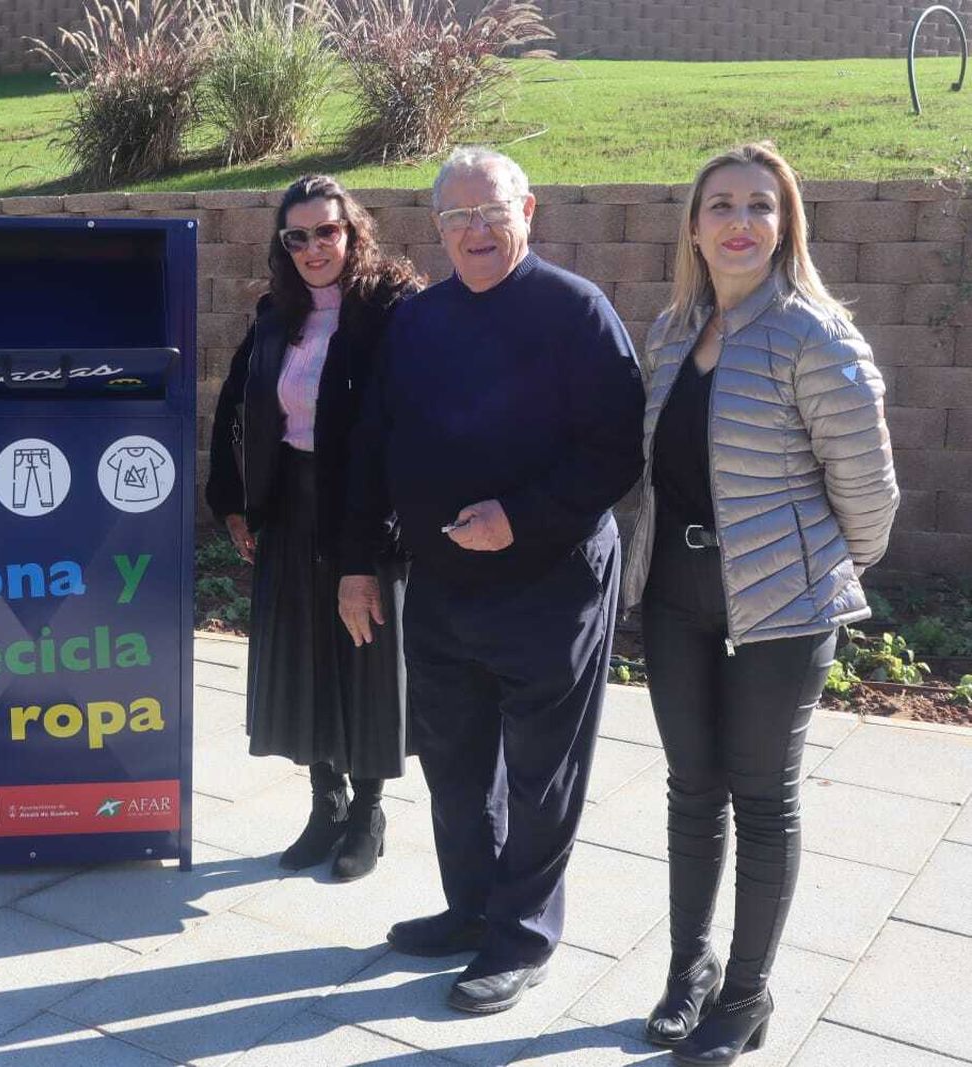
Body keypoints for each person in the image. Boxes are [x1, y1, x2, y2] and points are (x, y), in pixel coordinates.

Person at [339, 147, 645, 1013]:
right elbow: (373, 444)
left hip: (552, 582)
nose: (474, 231)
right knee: (455, 760)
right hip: (441, 585)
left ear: (528, 211)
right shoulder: (418, 321)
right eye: (455, 217)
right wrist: (358, 561)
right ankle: (471, 905)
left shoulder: (576, 312)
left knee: (542, 770)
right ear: (436, 229)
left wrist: (520, 515)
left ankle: (522, 934)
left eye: (490, 212)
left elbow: (617, 448)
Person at [623, 143, 897, 1064]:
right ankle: (687, 970)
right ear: (694, 228)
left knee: (762, 798)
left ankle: (747, 993)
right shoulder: (668, 334)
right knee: (690, 789)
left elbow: (870, 494)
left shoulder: (817, 336)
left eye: (760, 206)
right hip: (675, 596)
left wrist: (816, 575)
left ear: (785, 226)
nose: (740, 222)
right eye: (721, 206)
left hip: (782, 608)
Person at [206, 174, 422, 881]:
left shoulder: (391, 309)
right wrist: (235, 497)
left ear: (352, 230)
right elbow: (238, 402)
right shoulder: (278, 311)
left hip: (364, 507)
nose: (311, 247)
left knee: (362, 654)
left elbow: (407, 423)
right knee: (302, 655)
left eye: (325, 231)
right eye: (295, 236)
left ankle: (367, 812)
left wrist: (385, 526)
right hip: (292, 504)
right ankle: (323, 803)